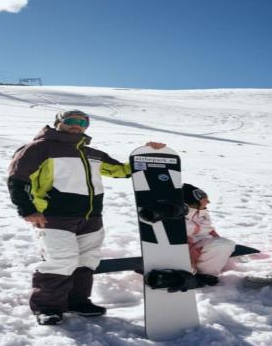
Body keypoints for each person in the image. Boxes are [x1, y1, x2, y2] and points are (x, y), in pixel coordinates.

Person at [8, 109, 165, 325]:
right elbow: (18, 178)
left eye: (83, 122)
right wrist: (27, 209)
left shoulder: (92, 153)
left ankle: (77, 301)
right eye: (71, 120)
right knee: (60, 260)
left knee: (87, 260)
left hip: (91, 217)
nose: (77, 125)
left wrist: (146, 153)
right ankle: (47, 307)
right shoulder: (40, 148)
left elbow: (122, 170)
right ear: (58, 123)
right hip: (54, 216)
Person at [182, 184, 236, 284]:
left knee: (226, 244)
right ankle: (204, 275)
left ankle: (207, 274)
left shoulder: (203, 214)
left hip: (202, 248)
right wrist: (190, 261)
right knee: (223, 245)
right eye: (205, 199)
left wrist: (224, 248)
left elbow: (210, 231)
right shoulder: (178, 217)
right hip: (187, 253)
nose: (208, 202)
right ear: (194, 202)